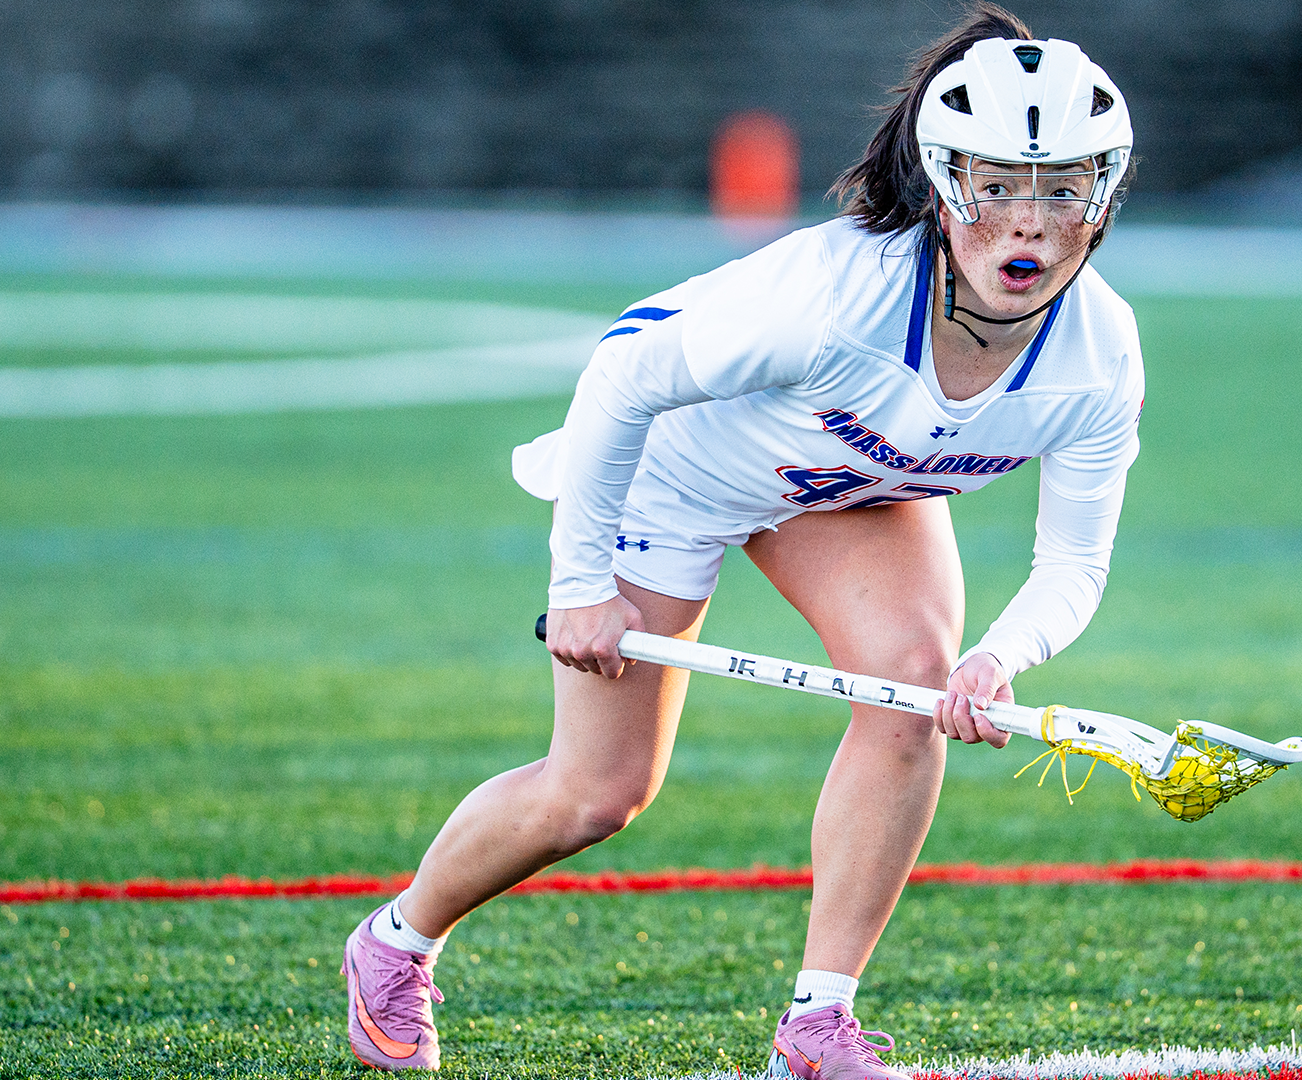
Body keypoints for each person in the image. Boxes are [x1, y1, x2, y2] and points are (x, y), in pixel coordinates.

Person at [337, 5, 1144, 1074]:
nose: (1028, 226)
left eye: (1061, 188)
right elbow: (624, 371)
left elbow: (1074, 563)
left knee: (913, 688)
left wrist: (1002, 660)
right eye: (995, 186)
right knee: (596, 797)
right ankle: (396, 941)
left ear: (1106, 192)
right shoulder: (835, 298)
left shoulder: (1099, 355)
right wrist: (580, 583)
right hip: (676, 472)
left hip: (851, 485)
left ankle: (818, 1025)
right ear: (946, 183)